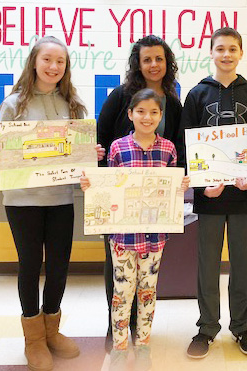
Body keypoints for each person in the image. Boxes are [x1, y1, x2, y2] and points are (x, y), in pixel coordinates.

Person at [0, 36, 104, 371]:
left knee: (60, 264)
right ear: (34, 62)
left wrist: (90, 156)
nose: (53, 67)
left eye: (60, 62)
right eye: (47, 60)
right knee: (30, 264)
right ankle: (33, 338)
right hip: (22, 201)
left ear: (66, 67)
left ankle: (52, 331)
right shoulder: (13, 104)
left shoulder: (73, 104)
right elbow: (0, 156)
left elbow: (76, 155)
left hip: (61, 196)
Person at [81, 88, 190, 371]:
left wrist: (180, 187)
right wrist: (92, 187)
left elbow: (173, 188)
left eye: (154, 112)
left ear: (161, 116)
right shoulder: (118, 147)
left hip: (155, 237)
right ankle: (119, 347)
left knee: (147, 291)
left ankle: (143, 345)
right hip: (123, 237)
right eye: (140, 111)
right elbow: (108, 186)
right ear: (130, 114)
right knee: (122, 292)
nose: (147, 117)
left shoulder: (168, 148)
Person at [181, 27, 247, 359]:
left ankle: (242, 327)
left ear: (241, 53)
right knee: (207, 263)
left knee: (242, 264)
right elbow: (189, 145)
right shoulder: (197, 95)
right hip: (210, 195)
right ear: (212, 53)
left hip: (244, 194)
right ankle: (206, 328)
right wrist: (204, 183)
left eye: (233, 49)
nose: (227, 54)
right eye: (220, 49)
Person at [96, 35, 183, 351]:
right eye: (147, 59)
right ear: (138, 63)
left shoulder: (172, 100)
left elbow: (178, 148)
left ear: (166, 62)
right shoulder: (121, 95)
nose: (154, 65)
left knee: (147, 278)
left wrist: (177, 185)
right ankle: (116, 326)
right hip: (120, 206)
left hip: (154, 207)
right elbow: (102, 140)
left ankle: (140, 329)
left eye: (159, 59)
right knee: (118, 271)